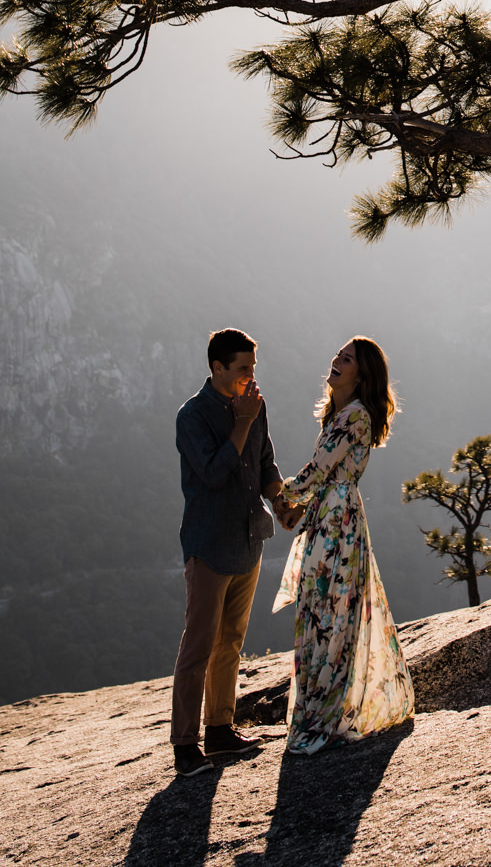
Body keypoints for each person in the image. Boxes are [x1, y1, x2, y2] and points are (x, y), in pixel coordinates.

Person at [274, 335, 414, 754]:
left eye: (347, 358)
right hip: (334, 516)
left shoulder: (354, 417)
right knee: (325, 611)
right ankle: (322, 709)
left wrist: (275, 492)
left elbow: (315, 473)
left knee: (326, 613)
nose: (336, 359)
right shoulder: (344, 414)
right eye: (339, 353)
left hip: (336, 522)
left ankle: (323, 713)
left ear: (361, 374)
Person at [171, 327, 299, 778]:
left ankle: (220, 729)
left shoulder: (254, 405)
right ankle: (185, 744)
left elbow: (266, 462)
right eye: (243, 369)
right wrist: (242, 421)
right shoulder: (193, 416)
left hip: (248, 539)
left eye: (253, 368)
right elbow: (211, 473)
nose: (250, 376)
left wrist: (280, 503)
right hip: (208, 544)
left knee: (231, 641)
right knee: (199, 644)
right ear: (217, 368)